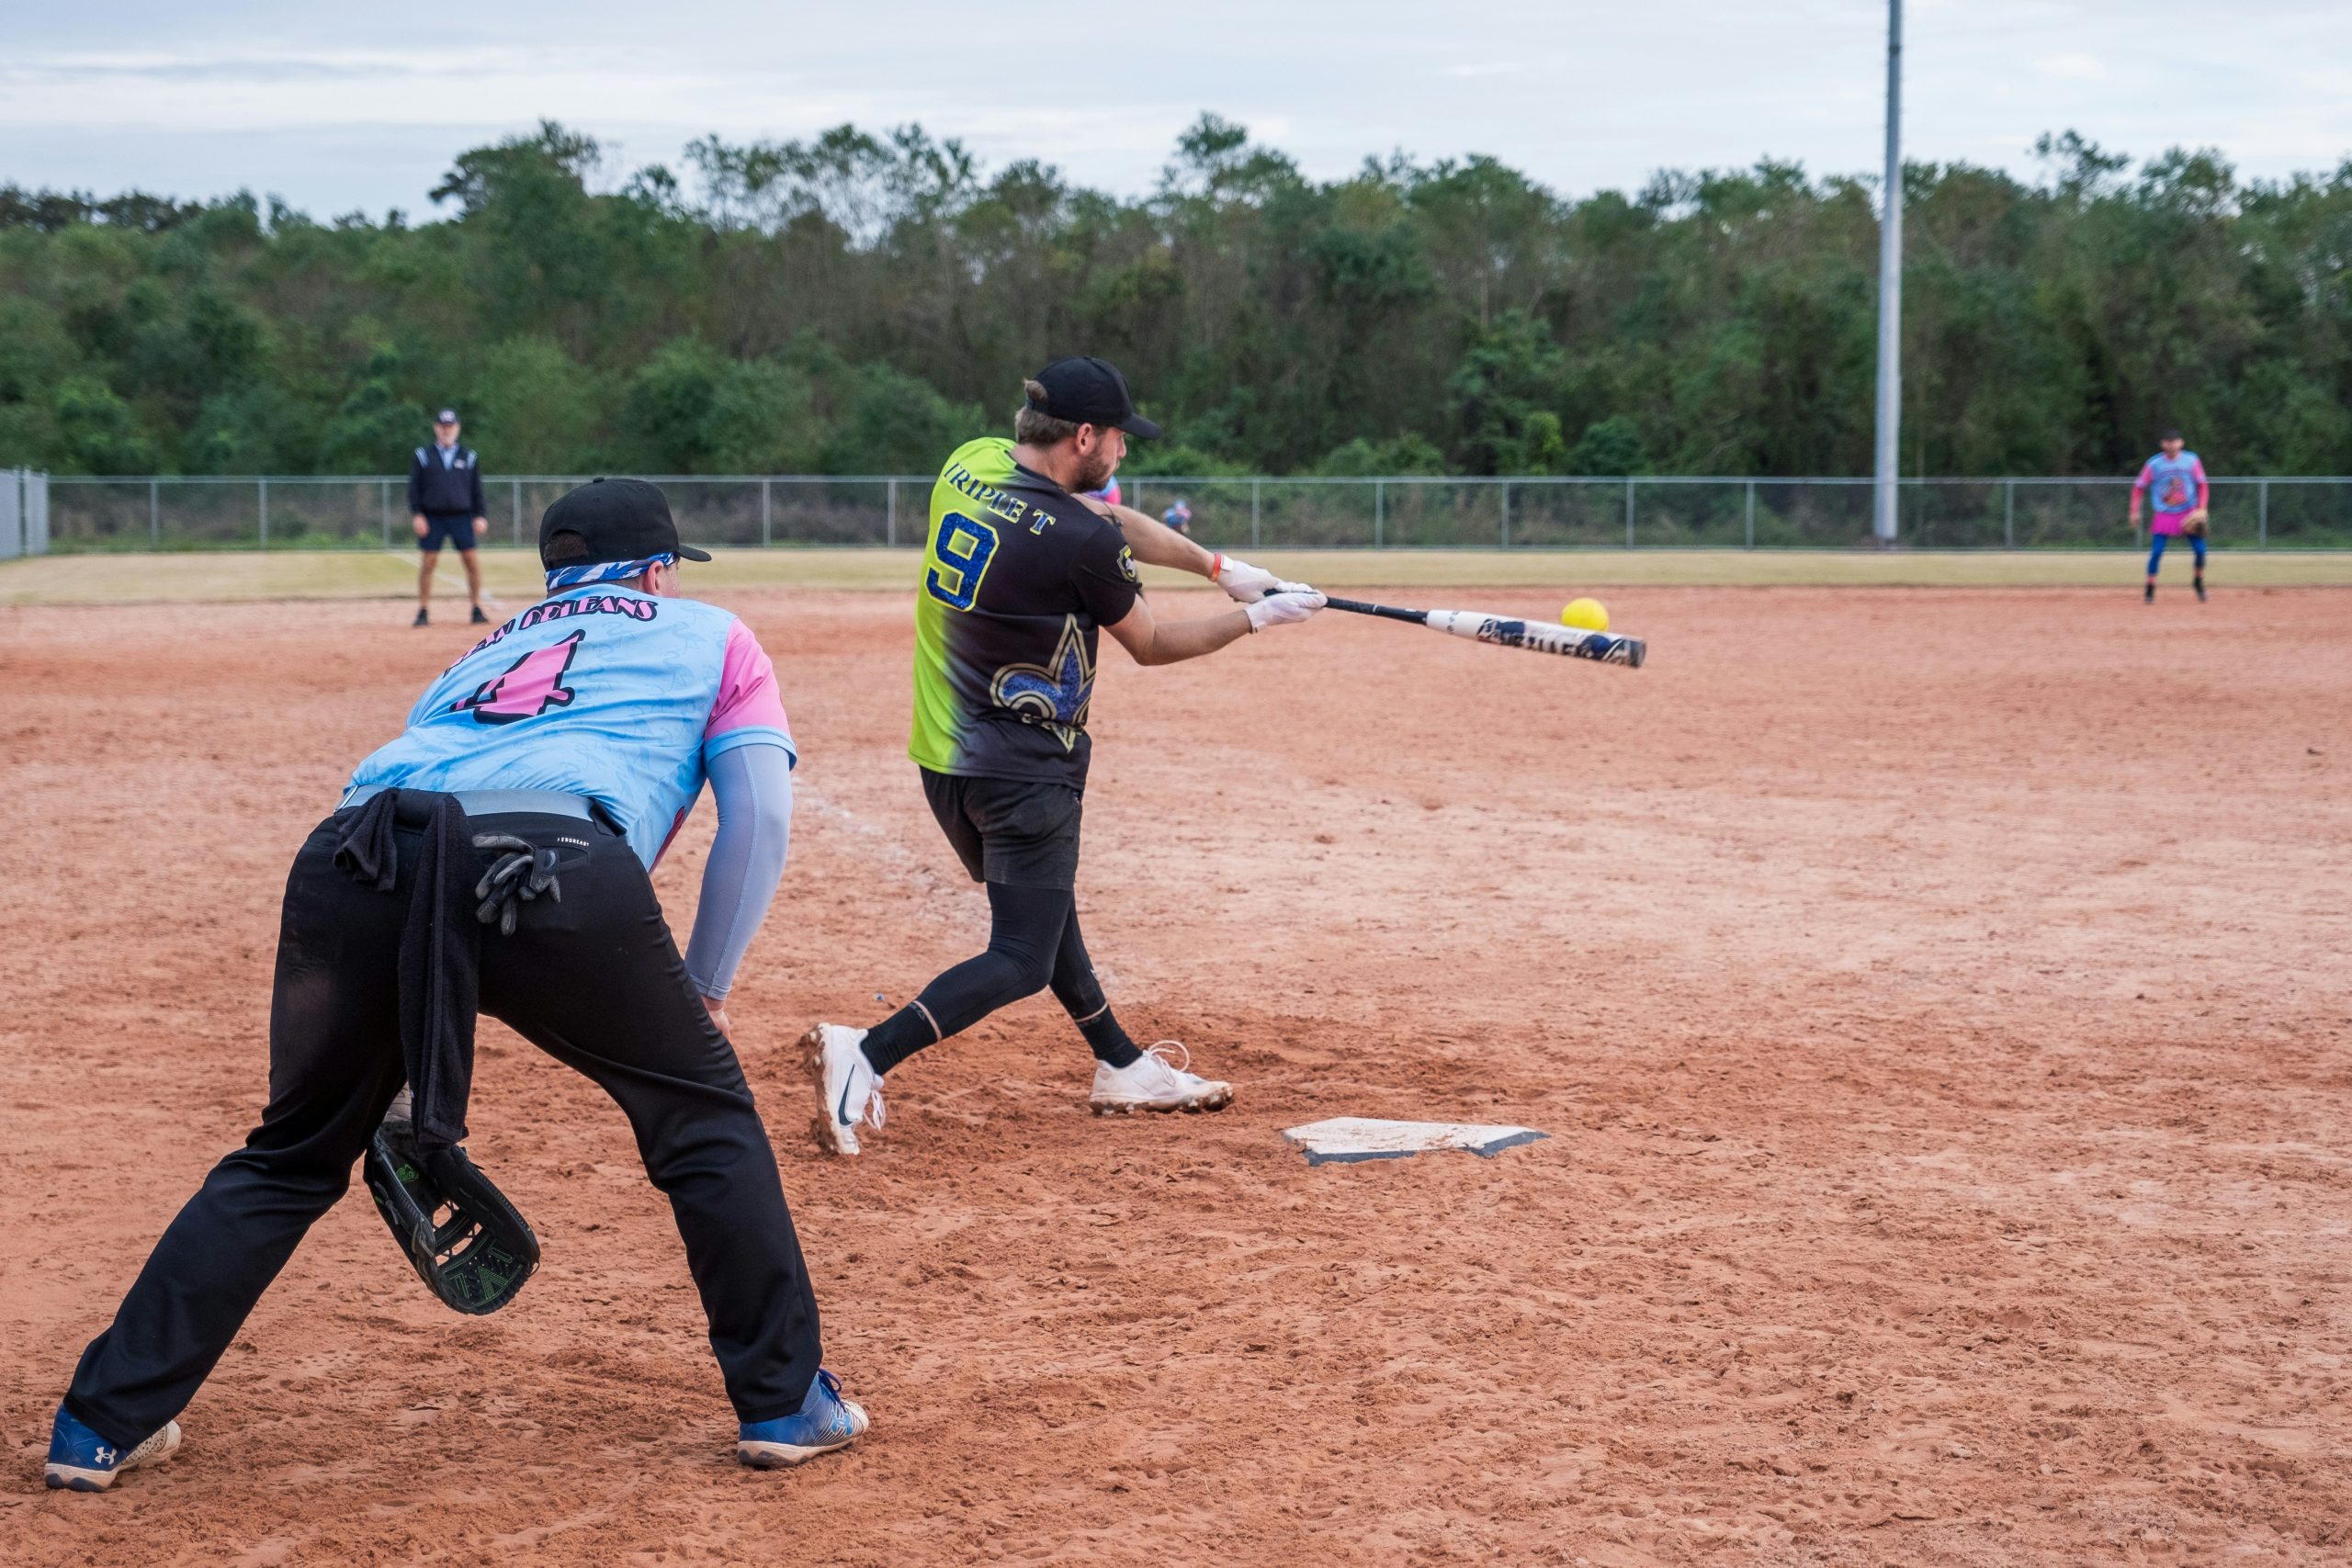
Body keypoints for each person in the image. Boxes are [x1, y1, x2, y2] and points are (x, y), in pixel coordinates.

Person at [42, 478, 866, 1493]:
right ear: (657, 570)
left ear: (554, 576)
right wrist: (706, 983)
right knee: (702, 1119)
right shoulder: (709, 632)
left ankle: (95, 1424)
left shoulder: (482, 649)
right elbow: (762, 817)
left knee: (292, 1155)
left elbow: (430, 842)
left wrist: (388, 1050)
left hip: (356, 858)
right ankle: (784, 1400)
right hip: (548, 858)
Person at [803, 357, 1323, 1156]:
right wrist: (1258, 620)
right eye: (1117, 436)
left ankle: (1121, 1064)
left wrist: (1221, 570)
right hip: (1025, 769)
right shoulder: (1079, 541)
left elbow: (1111, 524)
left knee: (1044, 916)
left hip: (946, 754)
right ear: (1084, 436)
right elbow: (1149, 642)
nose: (1122, 449)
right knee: (1019, 956)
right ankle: (866, 1053)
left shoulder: (971, 462)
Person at [409, 408, 492, 626]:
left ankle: (476, 607)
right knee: (429, 562)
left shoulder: (469, 457)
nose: (447, 431)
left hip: (461, 516)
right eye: (443, 426)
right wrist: (417, 514)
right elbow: (414, 488)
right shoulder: (423, 456)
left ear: (457, 428)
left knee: (471, 562)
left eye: (451, 426)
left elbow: (476, 490)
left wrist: (480, 515)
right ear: (436, 428)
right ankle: (423, 610)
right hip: (432, 516)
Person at [2130, 428, 2210, 603]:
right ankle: (2150, 588)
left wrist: (2202, 508)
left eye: (2175, 441)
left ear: (2181, 443)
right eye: (2168, 441)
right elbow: (2139, 487)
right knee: (2157, 552)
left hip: (2188, 513)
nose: (2171, 445)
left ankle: (2198, 582)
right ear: (2162, 444)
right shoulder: (2154, 464)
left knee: (2201, 551)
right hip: (2164, 513)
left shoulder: (2191, 460)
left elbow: (2202, 485)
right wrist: (2134, 510)